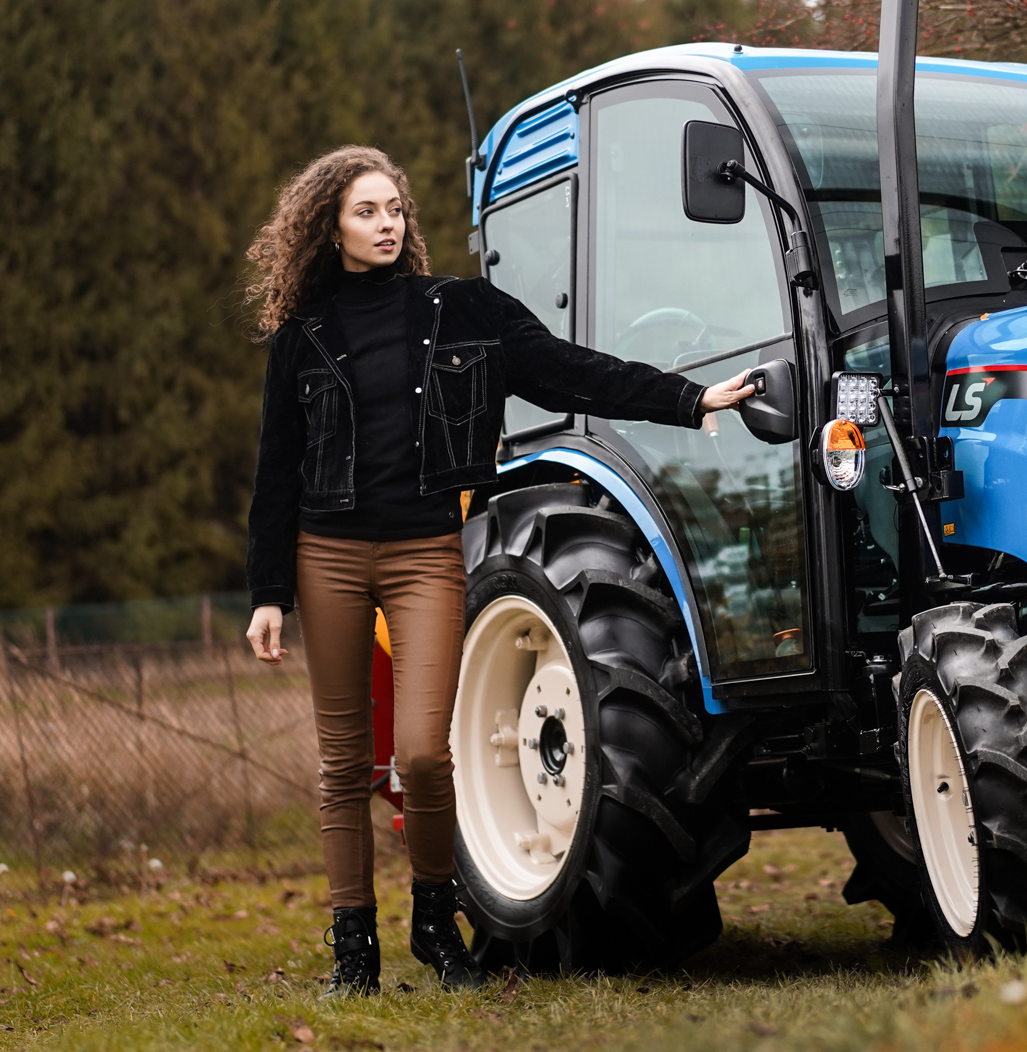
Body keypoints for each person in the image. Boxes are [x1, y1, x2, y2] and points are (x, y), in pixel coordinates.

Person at [239, 146, 752, 997]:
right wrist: (267, 592)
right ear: (329, 228)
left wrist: (690, 398)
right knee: (342, 767)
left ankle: (436, 926)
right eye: (366, 212)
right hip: (326, 558)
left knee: (424, 755)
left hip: (424, 554)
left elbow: (570, 369)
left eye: (394, 208)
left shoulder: (463, 310)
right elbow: (275, 470)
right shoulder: (304, 339)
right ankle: (352, 955)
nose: (386, 224)